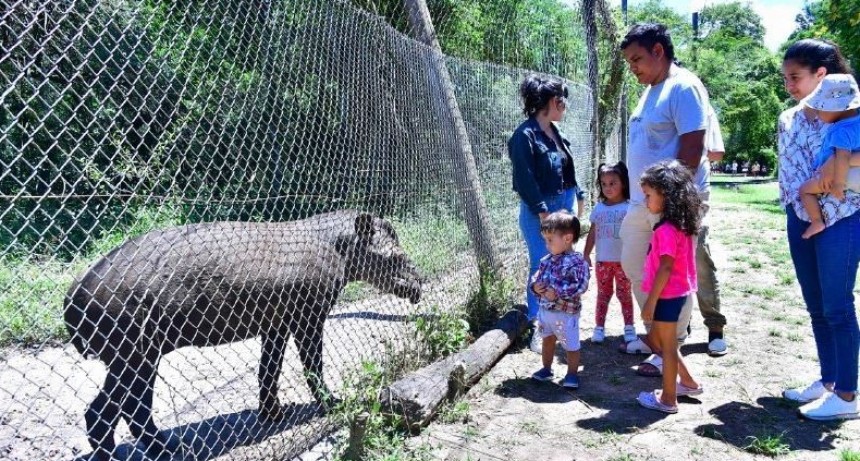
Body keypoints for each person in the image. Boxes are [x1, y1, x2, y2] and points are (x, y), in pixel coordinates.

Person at [616, 24, 727, 376]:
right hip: (641, 201)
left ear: (659, 51)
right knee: (635, 265)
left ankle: (670, 348)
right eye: (629, 61)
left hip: (671, 203)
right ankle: (658, 338)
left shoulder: (683, 86)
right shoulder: (650, 91)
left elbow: (693, 148)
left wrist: (667, 200)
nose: (632, 66)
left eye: (637, 59)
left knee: (673, 275)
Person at [778, 39, 860, 420]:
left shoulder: (851, 116)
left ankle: (847, 396)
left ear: (821, 74)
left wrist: (836, 172)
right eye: (786, 78)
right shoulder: (789, 118)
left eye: (795, 77)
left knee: (837, 306)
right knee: (816, 307)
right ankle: (829, 381)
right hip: (801, 216)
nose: (789, 86)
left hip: (842, 218)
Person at [508, 74, 582, 353]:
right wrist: (542, 212)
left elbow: (566, 168)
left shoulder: (556, 132)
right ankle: (538, 326)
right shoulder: (524, 135)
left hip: (565, 204)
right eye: (562, 101)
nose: (565, 107)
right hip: (540, 210)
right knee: (541, 266)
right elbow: (524, 179)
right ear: (552, 101)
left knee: (563, 265)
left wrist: (579, 196)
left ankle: (562, 320)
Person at [635, 160, 704, 413]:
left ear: (665, 195)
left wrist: (651, 302)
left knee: (666, 347)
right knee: (665, 345)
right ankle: (688, 382)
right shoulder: (681, 225)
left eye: (648, 195)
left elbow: (665, 267)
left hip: (666, 296)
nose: (646, 201)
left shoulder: (665, 229)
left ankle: (668, 398)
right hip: (677, 294)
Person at [528, 211, 590, 388]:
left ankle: (572, 374)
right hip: (546, 312)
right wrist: (535, 286)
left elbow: (580, 285)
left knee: (571, 344)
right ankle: (546, 369)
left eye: (550, 240)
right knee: (547, 339)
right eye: (545, 240)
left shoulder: (577, 262)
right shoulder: (546, 260)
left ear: (567, 238)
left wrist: (558, 292)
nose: (546, 244)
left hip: (566, 313)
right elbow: (537, 276)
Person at [797, 74, 860, 239]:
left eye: (820, 108)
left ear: (836, 107)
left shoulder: (841, 130)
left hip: (842, 176)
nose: (817, 113)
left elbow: (843, 157)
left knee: (804, 190)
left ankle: (816, 221)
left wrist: (838, 184)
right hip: (855, 174)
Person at [583, 162, 637, 343]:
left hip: (625, 261)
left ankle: (629, 327)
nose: (608, 187)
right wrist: (586, 254)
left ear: (623, 183)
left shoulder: (630, 207)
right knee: (603, 294)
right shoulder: (599, 208)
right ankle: (599, 328)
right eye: (604, 184)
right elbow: (592, 233)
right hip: (602, 261)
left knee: (625, 294)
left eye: (613, 183)